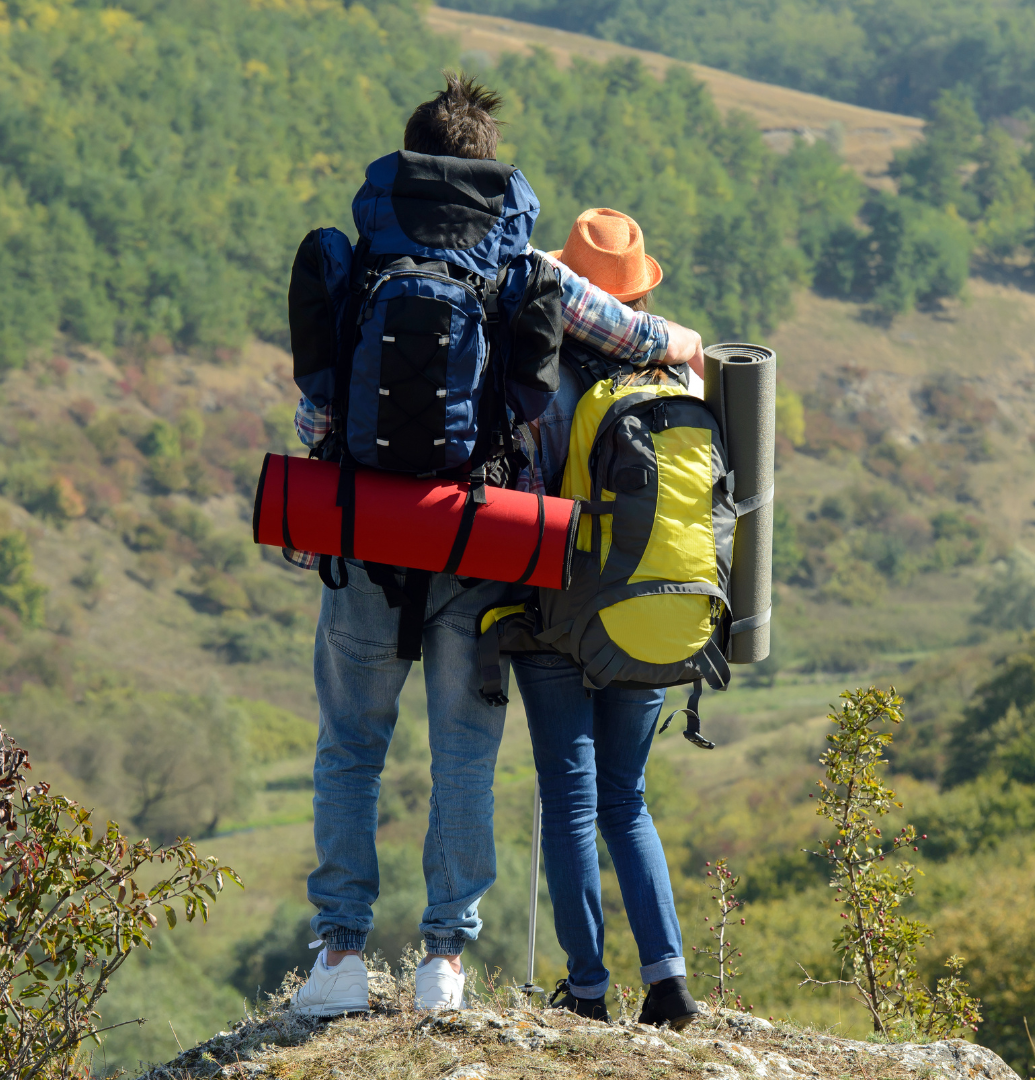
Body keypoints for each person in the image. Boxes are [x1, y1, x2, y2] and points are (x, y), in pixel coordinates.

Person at [286, 76, 704, 1018]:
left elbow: (317, 405)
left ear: (408, 165)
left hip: (364, 539)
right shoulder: (525, 271)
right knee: (463, 757)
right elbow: (637, 333)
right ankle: (444, 961)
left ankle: (341, 956)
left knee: (350, 750)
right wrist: (690, 340)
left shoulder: (358, 261)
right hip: (477, 543)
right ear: (487, 168)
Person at [512, 207, 702, 1030]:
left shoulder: (541, 374)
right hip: (655, 612)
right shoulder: (679, 383)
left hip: (558, 612)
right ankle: (669, 979)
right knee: (629, 798)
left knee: (572, 799)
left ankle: (586, 985)